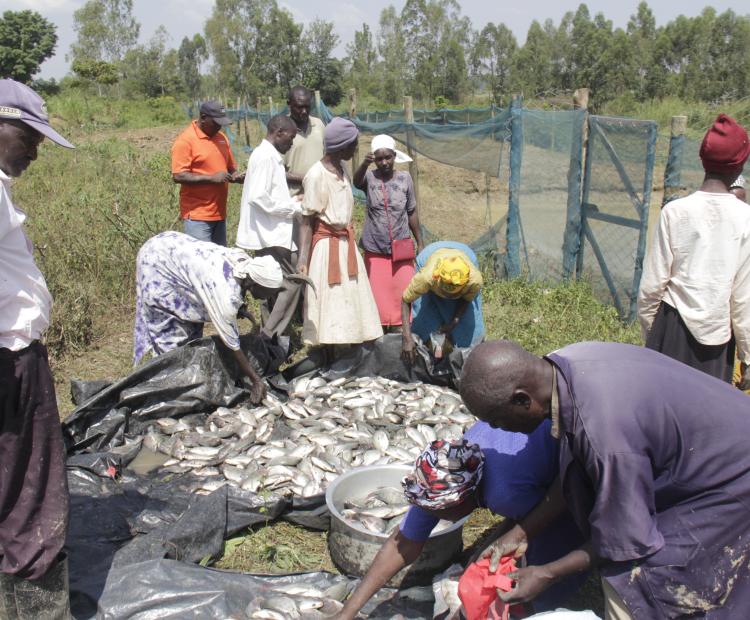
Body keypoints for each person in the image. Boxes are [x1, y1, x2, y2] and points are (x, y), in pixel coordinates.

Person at [460, 339, 750, 619]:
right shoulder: (565, 365)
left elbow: (625, 541)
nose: (501, 429)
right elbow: (577, 470)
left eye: (498, 421)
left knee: (645, 582)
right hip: (715, 439)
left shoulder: (605, 434)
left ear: (523, 400)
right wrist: (520, 533)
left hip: (734, 475)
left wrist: (547, 573)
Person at [336, 431, 587, 620]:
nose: (429, 514)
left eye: (436, 511)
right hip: (520, 474)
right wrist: (346, 613)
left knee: (539, 580)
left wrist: (534, 560)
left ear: (462, 501)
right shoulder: (445, 471)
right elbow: (402, 544)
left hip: (577, 454)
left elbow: (560, 501)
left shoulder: (506, 491)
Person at [0, 78, 75, 617]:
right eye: (28, 135)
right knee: (30, 485)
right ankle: (33, 604)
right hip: (10, 359)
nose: (35, 149)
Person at [637, 113, 750, 383]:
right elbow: (743, 298)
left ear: (703, 160)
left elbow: (651, 287)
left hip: (670, 329)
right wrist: (747, 356)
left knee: (660, 410)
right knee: (704, 417)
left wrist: (652, 336)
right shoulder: (745, 218)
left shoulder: (675, 212)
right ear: (740, 165)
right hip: (716, 342)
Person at [133, 231, 284, 404]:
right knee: (171, 342)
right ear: (255, 283)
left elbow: (234, 289)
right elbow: (232, 344)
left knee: (191, 335)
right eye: (268, 293)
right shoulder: (225, 293)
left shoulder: (243, 262)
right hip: (157, 264)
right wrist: (256, 380)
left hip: (173, 250)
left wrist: (240, 307)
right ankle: (164, 394)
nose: (268, 298)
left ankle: (183, 382)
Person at [297, 117, 383, 357]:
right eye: (353, 145)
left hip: (346, 244)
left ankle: (351, 351)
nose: (355, 150)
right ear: (341, 146)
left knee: (350, 298)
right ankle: (330, 356)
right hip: (327, 248)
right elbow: (307, 220)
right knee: (331, 299)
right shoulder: (316, 175)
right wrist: (303, 260)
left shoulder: (341, 169)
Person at [236, 114, 304, 339]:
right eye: (291, 138)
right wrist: (292, 208)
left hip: (269, 232)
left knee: (270, 284)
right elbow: (258, 197)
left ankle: (271, 335)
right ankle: (270, 335)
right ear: (279, 133)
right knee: (293, 282)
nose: (292, 143)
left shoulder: (267, 155)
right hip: (271, 234)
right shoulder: (266, 157)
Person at [353, 134, 424, 331]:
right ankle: (379, 333)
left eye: (388, 157)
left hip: (401, 247)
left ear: (394, 156)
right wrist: (364, 165)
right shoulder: (369, 178)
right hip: (375, 247)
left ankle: (403, 332)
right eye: (379, 158)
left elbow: (411, 211)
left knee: (404, 292)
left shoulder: (405, 178)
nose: (384, 162)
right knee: (378, 297)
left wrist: (420, 241)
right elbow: (356, 182)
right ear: (374, 159)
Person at [171, 101, 244, 246]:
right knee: (201, 262)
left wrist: (236, 176)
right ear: (203, 118)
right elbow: (178, 175)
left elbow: (230, 168)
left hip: (219, 212)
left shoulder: (221, 138)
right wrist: (211, 178)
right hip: (198, 215)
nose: (219, 127)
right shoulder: (186, 141)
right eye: (216, 123)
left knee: (218, 261)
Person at [400, 241, 485, 364]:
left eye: (454, 294)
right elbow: (405, 300)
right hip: (430, 256)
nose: (449, 297)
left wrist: (455, 321)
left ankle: (468, 364)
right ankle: (426, 363)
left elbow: (466, 299)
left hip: (465, 254)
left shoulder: (474, 281)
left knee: (468, 328)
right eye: (445, 293)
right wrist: (406, 337)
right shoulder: (426, 277)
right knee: (424, 322)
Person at [284, 85, 325, 198]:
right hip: (293, 199)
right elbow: (275, 171)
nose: (304, 111)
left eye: (307, 107)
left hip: (319, 195)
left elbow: (328, 158)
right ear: (289, 104)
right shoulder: (281, 130)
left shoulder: (319, 125)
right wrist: (307, 179)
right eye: (299, 107)